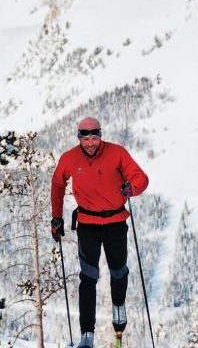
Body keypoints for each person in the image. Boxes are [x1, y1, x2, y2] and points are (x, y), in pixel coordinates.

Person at [51, 116, 149, 348]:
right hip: (87, 224)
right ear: (79, 137)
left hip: (115, 221)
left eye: (94, 138)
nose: (91, 143)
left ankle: (118, 305)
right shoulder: (69, 158)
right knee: (88, 277)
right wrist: (57, 218)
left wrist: (132, 188)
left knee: (118, 271)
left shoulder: (117, 153)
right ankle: (87, 334)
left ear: (100, 136)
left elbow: (141, 178)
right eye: (86, 138)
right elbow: (57, 184)